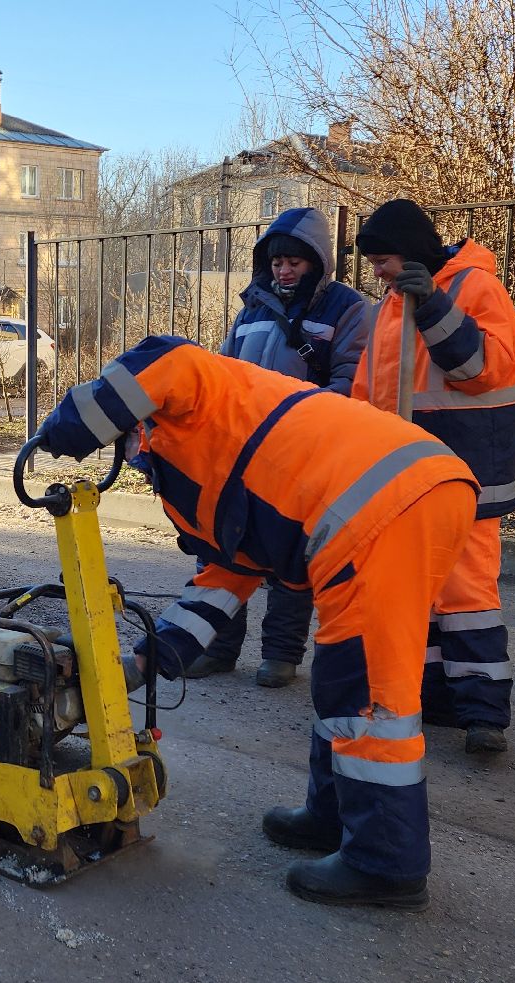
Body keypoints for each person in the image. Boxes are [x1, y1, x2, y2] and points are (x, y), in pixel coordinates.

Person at [37, 335, 478, 909]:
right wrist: (145, 662)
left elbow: (170, 360)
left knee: (364, 687)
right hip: (399, 495)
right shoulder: (213, 475)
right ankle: (335, 817)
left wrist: (71, 423)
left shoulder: (202, 397)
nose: (139, 461)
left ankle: (385, 861)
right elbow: (224, 579)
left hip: (386, 504)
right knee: (343, 677)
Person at [351, 199, 515, 755]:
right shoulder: (389, 305)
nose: (376, 272)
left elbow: (481, 370)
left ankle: (484, 714)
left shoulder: (476, 287)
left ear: (409, 253)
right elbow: (369, 395)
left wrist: (432, 304)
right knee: (417, 590)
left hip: (465, 475)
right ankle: (440, 701)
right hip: (409, 477)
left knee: (466, 592)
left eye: (382, 260)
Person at [183, 206, 373, 689]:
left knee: (289, 557)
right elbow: (225, 376)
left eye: (294, 261)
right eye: (276, 262)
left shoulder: (347, 308)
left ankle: (281, 655)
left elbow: (351, 382)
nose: (284, 270)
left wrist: (298, 424)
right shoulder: (252, 307)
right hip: (242, 450)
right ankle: (217, 647)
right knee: (224, 548)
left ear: (317, 262)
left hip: (303, 450)